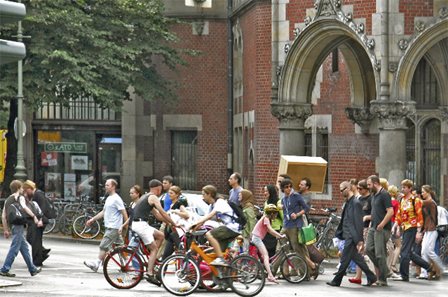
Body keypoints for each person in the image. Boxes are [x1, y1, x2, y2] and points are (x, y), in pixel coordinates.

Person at [119, 179, 177, 286]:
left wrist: (168, 223)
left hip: (140, 224)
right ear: (158, 189)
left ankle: (153, 258)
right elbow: (162, 212)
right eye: (161, 190)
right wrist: (173, 222)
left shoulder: (145, 197)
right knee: (154, 248)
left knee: (160, 235)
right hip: (141, 225)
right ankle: (149, 273)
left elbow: (157, 215)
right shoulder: (153, 197)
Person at [327, 182, 377, 287]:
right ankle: (371, 277)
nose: (341, 192)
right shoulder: (348, 202)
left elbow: (358, 222)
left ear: (348, 188)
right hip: (347, 234)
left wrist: (359, 238)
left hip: (351, 235)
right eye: (340, 190)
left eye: (342, 190)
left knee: (345, 259)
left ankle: (337, 280)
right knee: (357, 258)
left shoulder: (356, 203)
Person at [391, 179, 433, 282]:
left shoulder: (415, 200)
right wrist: (395, 226)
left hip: (412, 227)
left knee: (405, 253)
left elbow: (419, 216)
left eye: (405, 187)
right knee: (409, 252)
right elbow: (399, 215)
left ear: (410, 188)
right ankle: (428, 267)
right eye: (402, 187)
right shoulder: (403, 200)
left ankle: (404, 275)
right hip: (405, 227)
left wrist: (419, 232)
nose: (402, 189)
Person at [275, 179, 317, 280]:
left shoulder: (296, 196)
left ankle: (305, 274)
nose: (289, 188)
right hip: (286, 226)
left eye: (290, 186)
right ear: (283, 189)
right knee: (280, 249)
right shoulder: (284, 199)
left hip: (295, 226)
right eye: (286, 187)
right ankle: (271, 272)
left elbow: (306, 208)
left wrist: (298, 214)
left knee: (298, 250)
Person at [190, 185, 242, 266]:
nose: (203, 197)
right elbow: (203, 219)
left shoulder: (220, 202)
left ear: (209, 194)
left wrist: (195, 224)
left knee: (209, 234)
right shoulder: (212, 206)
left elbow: (210, 216)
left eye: (204, 195)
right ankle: (223, 273)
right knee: (216, 254)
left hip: (233, 227)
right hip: (230, 227)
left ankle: (221, 259)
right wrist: (193, 229)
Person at [84, 179, 128, 273]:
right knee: (120, 247)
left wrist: (125, 225)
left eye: (108, 185)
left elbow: (124, 212)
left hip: (114, 227)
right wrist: (93, 219)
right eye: (105, 185)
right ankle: (129, 262)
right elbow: (104, 212)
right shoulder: (109, 198)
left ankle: (96, 263)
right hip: (111, 226)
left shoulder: (117, 199)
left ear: (113, 187)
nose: (105, 187)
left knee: (104, 245)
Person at [1, 180, 42, 277]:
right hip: (19, 225)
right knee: (15, 247)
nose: (23, 190)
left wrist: (6, 230)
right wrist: (34, 216)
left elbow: (3, 216)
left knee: (24, 248)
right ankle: (5, 268)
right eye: (21, 188)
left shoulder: (8, 200)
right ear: (18, 189)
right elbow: (24, 207)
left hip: (13, 226)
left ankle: (32, 269)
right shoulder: (19, 197)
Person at [365, 175, 394, 286]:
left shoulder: (384, 194)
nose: (368, 187)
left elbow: (390, 212)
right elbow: (375, 212)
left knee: (380, 254)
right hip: (373, 227)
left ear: (375, 183)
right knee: (368, 249)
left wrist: (382, 224)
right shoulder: (374, 195)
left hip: (381, 229)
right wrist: (371, 223)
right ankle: (386, 271)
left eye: (369, 184)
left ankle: (382, 279)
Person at [252, 204, 286, 284]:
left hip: (257, 237)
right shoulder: (266, 218)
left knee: (263, 256)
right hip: (257, 238)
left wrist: (277, 236)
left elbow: (269, 231)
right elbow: (270, 229)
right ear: (271, 214)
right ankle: (270, 275)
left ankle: (256, 270)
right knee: (266, 255)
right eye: (275, 214)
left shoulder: (267, 219)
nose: (276, 215)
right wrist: (280, 235)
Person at [419, 185, 446, 279]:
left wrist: (413, 197)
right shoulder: (429, 203)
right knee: (423, 252)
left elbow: (419, 203)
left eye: (423, 192)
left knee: (429, 251)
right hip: (427, 230)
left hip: (432, 230)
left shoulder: (430, 202)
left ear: (428, 192)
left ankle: (441, 267)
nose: (422, 194)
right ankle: (424, 272)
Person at [22, 180, 51, 267]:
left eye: (26, 190)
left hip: (39, 220)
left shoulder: (38, 194)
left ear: (29, 188)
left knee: (36, 239)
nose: (25, 192)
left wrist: (40, 220)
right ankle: (42, 252)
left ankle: (37, 259)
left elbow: (42, 208)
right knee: (30, 237)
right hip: (35, 220)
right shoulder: (33, 195)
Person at [349, 179, 372, 283]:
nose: (359, 190)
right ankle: (358, 276)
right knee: (359, 252)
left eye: (360, 188)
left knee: (367, 252)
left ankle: (373, 275)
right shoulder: (360, 199)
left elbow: (376, 214)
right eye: (357, 188)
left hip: (367, 227)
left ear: (367, 188)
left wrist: (367, 217)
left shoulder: (371, 199)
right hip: (360, 227)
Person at [162, 186, 190, 260]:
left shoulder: (179, 204)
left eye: (171, 193)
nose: (169, 194)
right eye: (169, 193)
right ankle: (162, 269)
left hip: (177, 234)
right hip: (172, 232)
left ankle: (187, 268)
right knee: (166, 255)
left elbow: (186, 215)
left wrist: (175, 211)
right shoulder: (171, 205)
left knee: (181, 253)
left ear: (177, 195)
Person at [262, 184, 283, 257]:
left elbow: (282, 215)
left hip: (276, 227)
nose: (265, 193)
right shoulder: (266, 202)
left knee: (274, 248)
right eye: (264, 191)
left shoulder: (278, 201)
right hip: (268, 228)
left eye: (267, 191)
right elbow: (265, 215)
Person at [126, 185, 143, 276]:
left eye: (132, 193)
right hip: (131, 229)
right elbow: (130, 218)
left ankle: (138, 270)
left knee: (131, 249)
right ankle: (138, 270)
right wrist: (124, 226)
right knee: (136, 250)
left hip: (137, 229)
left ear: (138, 194)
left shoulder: (140, 204)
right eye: (130, 193)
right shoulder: (132, 204)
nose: (130, 195)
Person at [388, 185, 401, 274]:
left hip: (387, 224)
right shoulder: (396, 203)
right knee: (398, 245)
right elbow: (398, 216)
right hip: (394, 224)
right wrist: (398, 228)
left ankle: (388, 264)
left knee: (389, 245)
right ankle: (393, 264)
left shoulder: (387, 202)